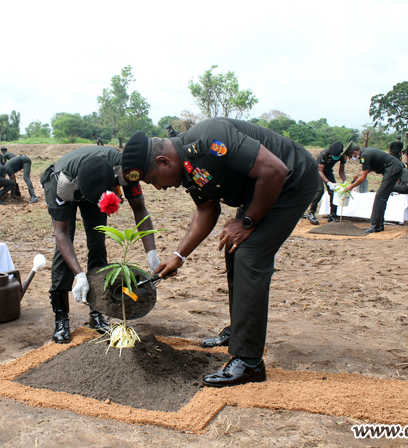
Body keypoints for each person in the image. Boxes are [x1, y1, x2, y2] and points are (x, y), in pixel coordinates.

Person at [122, 118, 318, 387]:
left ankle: (249, 362)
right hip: (261, 187)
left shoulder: (210, 139)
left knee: (249, 254)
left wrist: (247, 221)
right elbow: (207, 211)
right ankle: (240, 331)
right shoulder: (187, 169)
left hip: (290, 181)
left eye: (154, 179)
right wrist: (178, 256)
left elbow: (275, 170)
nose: (159, 187)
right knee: (234, 249)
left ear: (164, 161)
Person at [41, 145, 160, 344]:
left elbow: (139, 209)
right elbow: (60, 233)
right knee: (64, 252)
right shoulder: (63, 185)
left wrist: (152, 255)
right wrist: (79, 275)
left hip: (97, 187)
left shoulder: (124, 170)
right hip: (70, 184)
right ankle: (61, 318)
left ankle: (97, 311)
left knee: (97, 242)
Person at [343, 143, 405, 234]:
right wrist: (358, 174)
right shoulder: (365, 153)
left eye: (352, 155)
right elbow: (368, 169)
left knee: (380, 196)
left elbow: (363, 178)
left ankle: (375, 225)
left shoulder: (365, 155)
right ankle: (379, 225)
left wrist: (351, 186)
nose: (353, 158)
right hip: (391, 168)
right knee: (382, 196)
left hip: (393, 168)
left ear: (355, 152)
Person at [306, 141, 346, 224]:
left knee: (334, 192)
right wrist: (329, 183)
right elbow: (320, 171)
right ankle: (311, 213)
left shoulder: (342, 156)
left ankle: (333, 214)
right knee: (320, 191)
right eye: (334, 155)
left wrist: (345, 181)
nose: (335, 157)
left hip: (328, 172)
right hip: (317, 172)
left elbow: (341, 171)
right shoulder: (324, 154)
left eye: (337, 156)